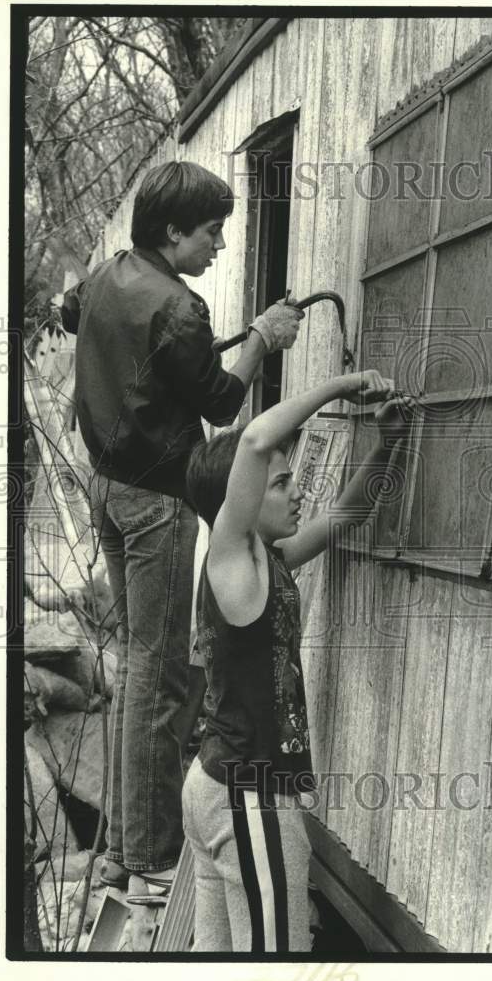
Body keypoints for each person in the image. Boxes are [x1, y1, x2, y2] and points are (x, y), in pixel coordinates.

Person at [60, 160, 304, 905]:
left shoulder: (108, 277)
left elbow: (73, 315)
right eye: (211, 232)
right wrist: (264, 336)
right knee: (162, 680)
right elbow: (227, 403)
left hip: (105, 486)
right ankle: (155, 856)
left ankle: (124, 853)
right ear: (173, 232)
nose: (221, 246)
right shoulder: (181, 309)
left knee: (136, 669)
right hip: (154, 500)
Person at [181, 368, 414, 951]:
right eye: (282, 483)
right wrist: (344, 386)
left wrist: (389, 444)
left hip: (217, 785)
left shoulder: (270, 559)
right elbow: (257, 440)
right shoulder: (230, 562)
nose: (298, 491)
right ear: (243, 494)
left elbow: (343, 517)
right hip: (251, 796)